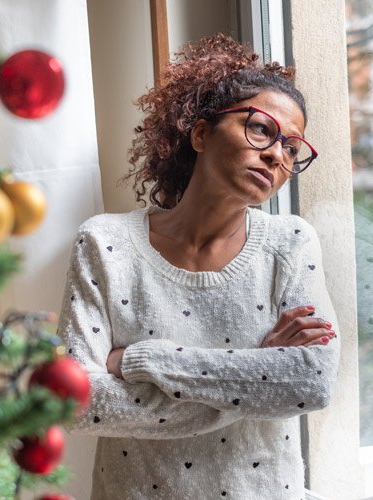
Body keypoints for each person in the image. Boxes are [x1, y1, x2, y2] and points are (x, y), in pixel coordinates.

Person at [57, 33, 340, 500]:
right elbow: (78, 401)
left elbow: (310, 382)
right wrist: (256, 377)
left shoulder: (290, 243)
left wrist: (142, 360)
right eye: (262, 129)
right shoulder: (105, 243)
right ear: (201, 133)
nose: (276, 155)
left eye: (293, 148)